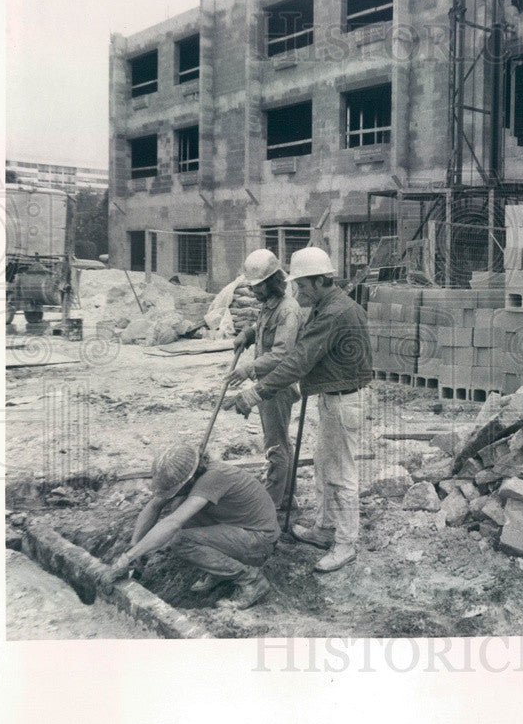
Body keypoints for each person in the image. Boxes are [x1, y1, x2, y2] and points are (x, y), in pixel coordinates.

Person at [223, 246, 372, 574]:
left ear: (321, 281)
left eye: (303, 285)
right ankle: (324, 527)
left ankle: (346, 543)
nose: (297, 290)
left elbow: (298, 360)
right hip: (334, 396)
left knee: (342, 473)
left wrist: (254, 393)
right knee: (322, 462)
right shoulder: (326, 305)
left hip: (344, 399)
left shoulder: (334, 313)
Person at [108, 442, 279, 609]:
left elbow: (173, 523)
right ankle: (220, 570)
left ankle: (252, 581)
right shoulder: (196, 474)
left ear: (189, 479)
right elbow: (154, 505)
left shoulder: (213, 477)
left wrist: (128, 558)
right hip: (237, 526)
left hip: (259, 540)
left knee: (181, 540)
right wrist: (134, 546)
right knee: (178, 505)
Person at [230, 248, 303, 507]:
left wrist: (247, 370)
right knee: (280, 442)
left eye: (258, 286)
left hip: (278, 386)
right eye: (252, 287)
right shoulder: (269, 305)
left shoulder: (288, 310)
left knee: (275, 447)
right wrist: (247, 335)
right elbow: (261, 326)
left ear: (273, 281)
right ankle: (286, 497)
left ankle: (270, 505)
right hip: (268, 384)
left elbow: (282, 354)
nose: (254, 292)